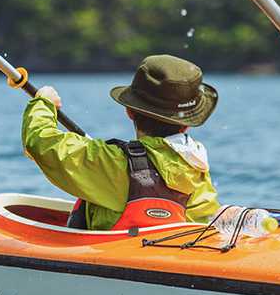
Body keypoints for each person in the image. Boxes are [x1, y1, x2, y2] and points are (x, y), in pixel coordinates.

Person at [22, 54, 220, 231]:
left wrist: (44, 103)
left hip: (114, 259)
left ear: (129, 111)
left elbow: (40, 142)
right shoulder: (196, 165)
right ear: (186, 125)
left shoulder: (112, 162)